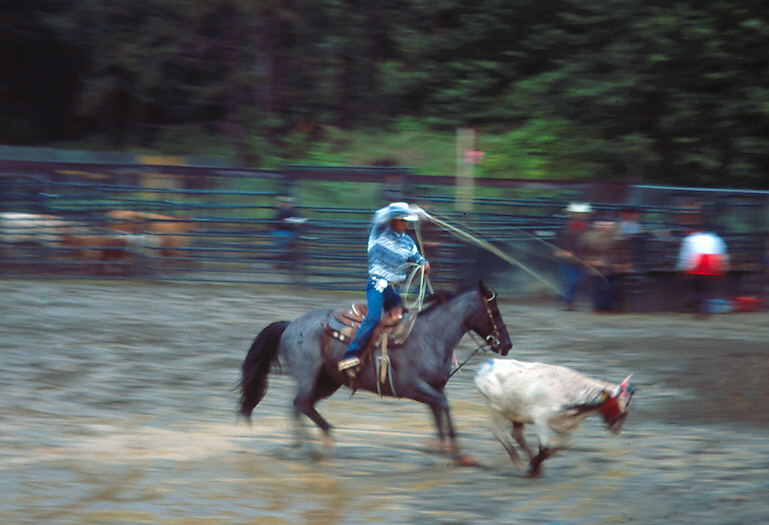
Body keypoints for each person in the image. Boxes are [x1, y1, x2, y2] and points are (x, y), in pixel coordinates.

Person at [338, 202, 430, 373]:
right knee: (373, 318)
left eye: (407, 221)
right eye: (402, 220)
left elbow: (417, 258)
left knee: (404, 320)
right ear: (392, 220)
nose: (406, 224)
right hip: (377, 286)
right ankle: (350, 355)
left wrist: (424, 264)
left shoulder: (408, 242)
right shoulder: (379, 231)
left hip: (394, 290)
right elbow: (381, 214)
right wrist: (411, 210)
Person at [676, 217, 729, 317]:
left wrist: (680, 268)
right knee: (706, 288)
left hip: (697, 264)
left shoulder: (690, 239)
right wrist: (723, 269)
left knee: (695, 288)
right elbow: (722, 254)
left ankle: (699, 305)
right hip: (713, 264)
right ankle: (703, 306)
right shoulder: (716, 239)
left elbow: (684, 255)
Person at [553, 202, 592, 310]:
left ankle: (571, 300)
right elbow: (558, 243)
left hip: (584, 258)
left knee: (577, 279)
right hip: (568, 258)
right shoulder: (564, 228)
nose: (579, 215)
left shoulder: (589, 228)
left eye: (581, 213)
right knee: (569, 279)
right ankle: (568, 301)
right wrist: (560, 252)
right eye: (576, 213)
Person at [579, 218, 621, 312]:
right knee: (600, 288)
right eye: (601, 224)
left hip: (611, 267)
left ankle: (607, 307)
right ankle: (600, 307)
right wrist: (589, 261)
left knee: (610, 288)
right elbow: (582, 252)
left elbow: (618, 252)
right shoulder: (587, 237)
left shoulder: (617, 236)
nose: (603, 226)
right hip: (596, 267)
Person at [271, 196, 306, 267]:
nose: (289, 204)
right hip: (281, 232)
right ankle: (281, 262)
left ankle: (287, 261)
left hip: (290, 233)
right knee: (282, 242)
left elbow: (301, 220)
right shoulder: (280, 211)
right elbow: (276, 223)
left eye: (291, 202)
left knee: (293, 243)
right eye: (287, 202)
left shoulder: (293, 211)